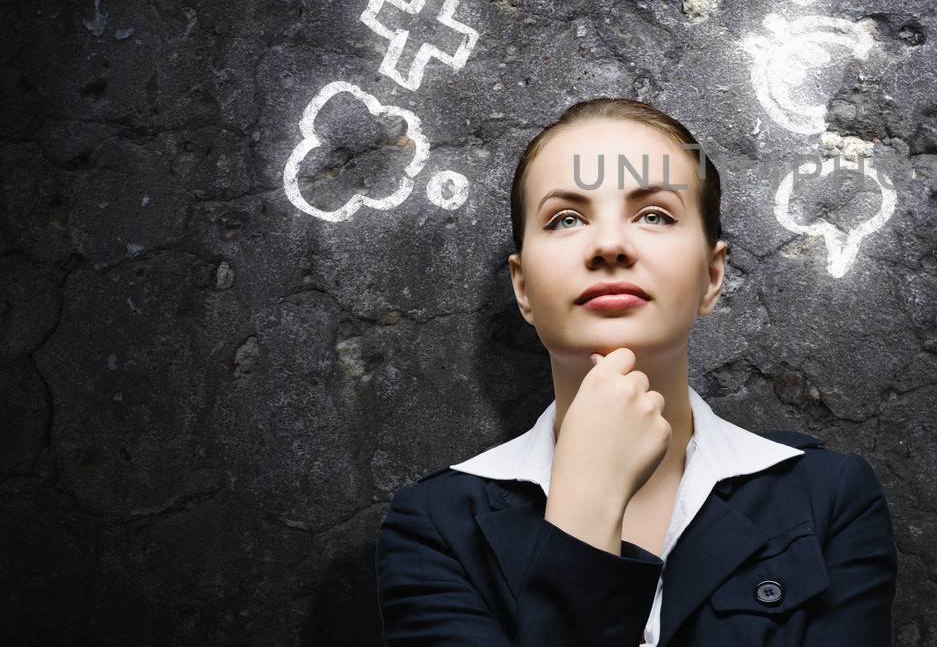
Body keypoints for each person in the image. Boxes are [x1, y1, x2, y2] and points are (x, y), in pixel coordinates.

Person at [375, 97, 898, 645]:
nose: (609, 246)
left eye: (654, 215)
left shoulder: (828, 499)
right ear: (523, 287)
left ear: (713, 277)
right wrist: (587, 505)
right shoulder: (433, 527)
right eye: (567, 218)